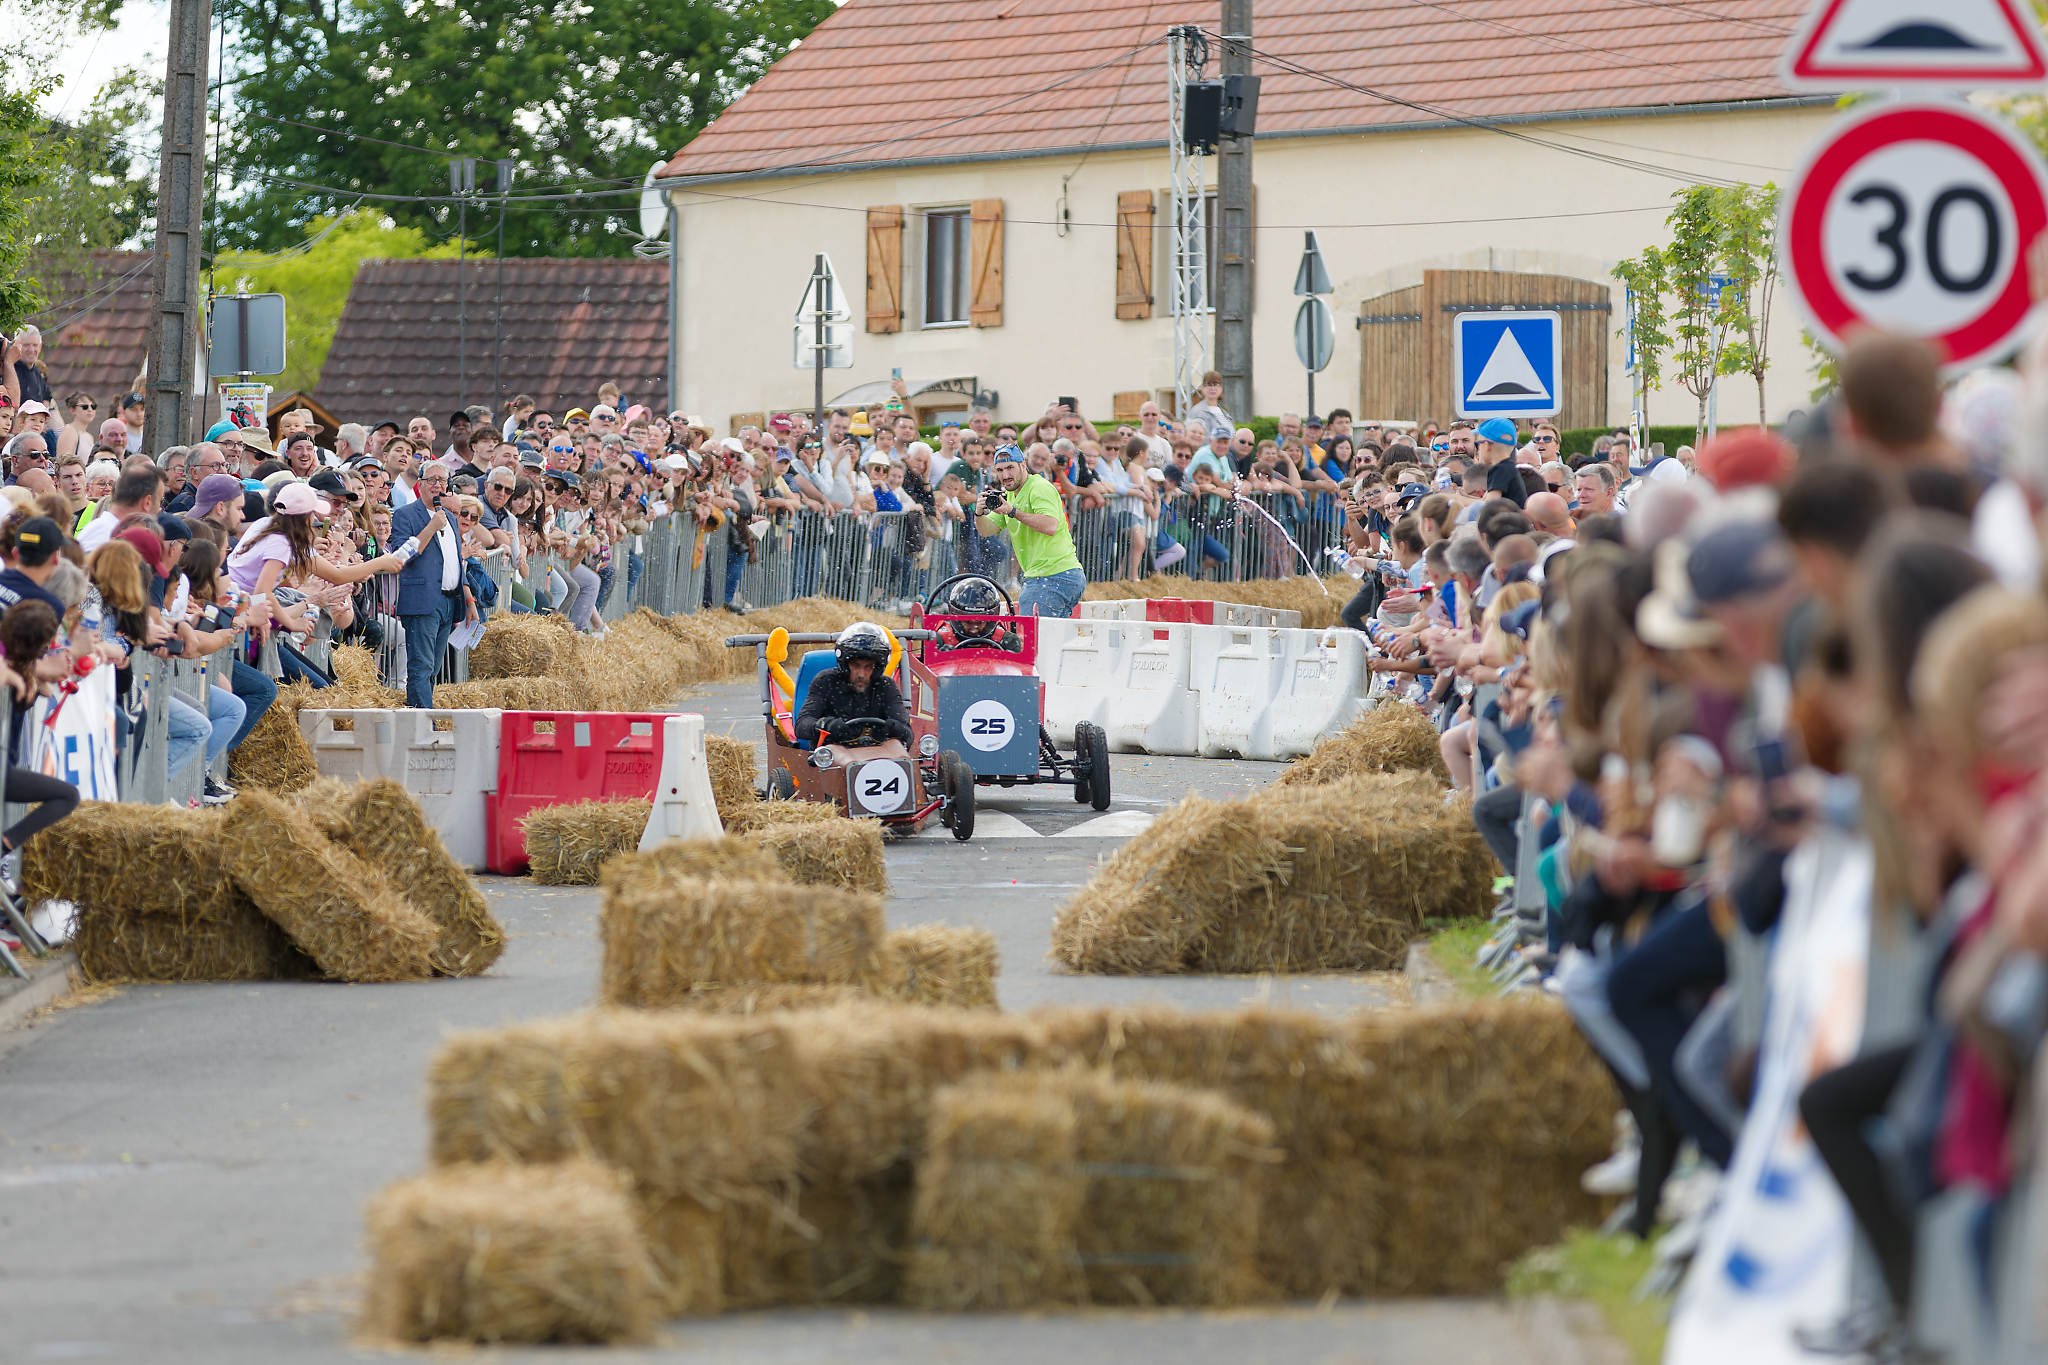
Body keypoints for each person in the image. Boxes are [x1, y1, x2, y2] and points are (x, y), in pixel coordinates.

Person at [388, 464, 471, 708]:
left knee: (434, 666)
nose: (437, 485)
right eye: (431, 480)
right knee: (421, 666)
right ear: (420, 484)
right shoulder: (405, 514)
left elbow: (457, 559)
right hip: (422, 601)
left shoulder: (451, 519)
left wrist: (468, 599)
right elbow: (403, 556)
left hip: (448, 600)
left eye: (442, 481)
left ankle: (424, 713)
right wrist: (431, 527)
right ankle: (423, 722)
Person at [975, 444, 1086, 618]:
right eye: (1000, 470)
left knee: (1031, 641)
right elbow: (986, 531)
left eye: (1010, 467)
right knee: (1048, 642)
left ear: (1023, 465)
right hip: (1059, 576)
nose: (1005, 475)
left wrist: (1012, 512)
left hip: (1051, 577)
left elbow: (1050, 526)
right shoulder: (1009, 494)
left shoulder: (1039, 487)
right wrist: (979, 513)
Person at [794, 621, 912, 763]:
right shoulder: (825, 681)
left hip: (880, 755)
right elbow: (802, 725)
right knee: (841, 758)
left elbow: (907, 732)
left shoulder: (886, 686)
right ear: (845, 664)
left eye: (868, 667)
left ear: (877, 669)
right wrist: (827, 725)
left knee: (901, 754)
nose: (861, 674)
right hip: (834, 757)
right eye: (856, 666)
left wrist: (890, 727)